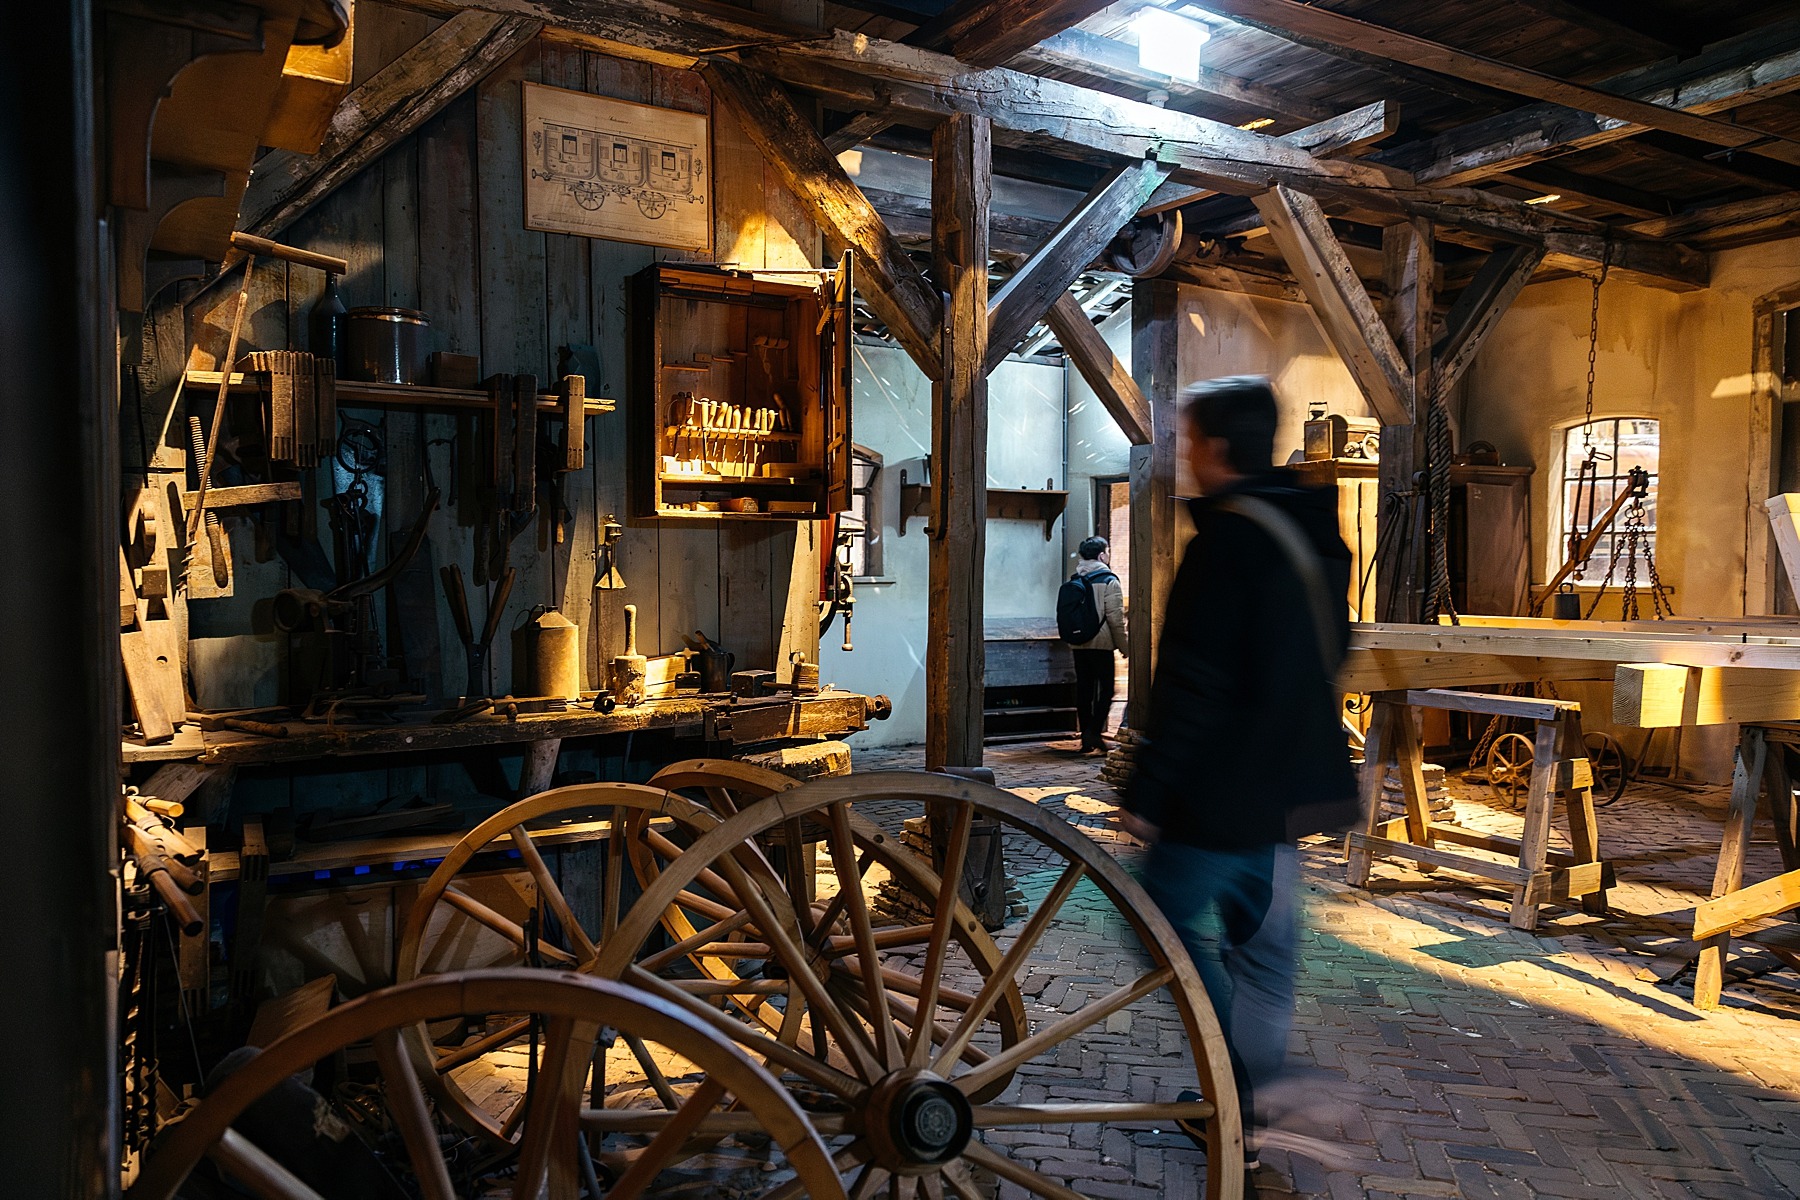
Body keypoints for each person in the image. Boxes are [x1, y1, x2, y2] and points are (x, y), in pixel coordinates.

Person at [1119, 375, 1359, 1170]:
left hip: (1215, 795)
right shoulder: (1316, 535)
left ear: (1216, 448)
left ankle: (1237, 1096)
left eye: (1187, 441)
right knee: (1263, 957)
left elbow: (1195, 681)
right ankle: (1248, 1112)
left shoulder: (1225, 542)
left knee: (1161, 925)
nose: (1182, 455)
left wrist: (1149, 793)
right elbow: (1335, 650)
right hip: (1286, 792)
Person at [1069, 535, 1128, 754]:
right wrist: (1125, 647)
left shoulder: (1075, 578)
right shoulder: (1109, 580)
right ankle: (1094, 732)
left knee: (1084, 691)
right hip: (1101, 644)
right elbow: (1115, 618)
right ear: (1102, 555)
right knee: (1107, 690)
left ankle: (1087, 738)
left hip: (1079, 643)